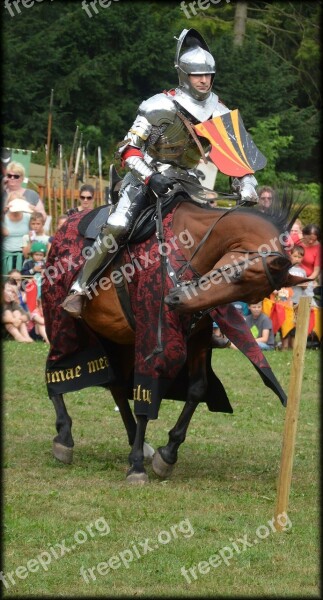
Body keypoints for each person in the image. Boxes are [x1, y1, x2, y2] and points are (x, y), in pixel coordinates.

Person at [62, 28, 262, 317]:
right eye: (197, 75)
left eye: (208, 74)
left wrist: (247, 184)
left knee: (214, 236)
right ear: (184, 75)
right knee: (118, 225)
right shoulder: (158, 106)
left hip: (189, 183)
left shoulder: (219, 112)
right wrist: (150, 176)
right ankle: (80, 289)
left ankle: (213, 315)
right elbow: (128, 149)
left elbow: (237, 158)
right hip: (147, 178)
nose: (204, 80)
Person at [2, 197, 33, 274]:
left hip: (25, 254)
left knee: (23, 280)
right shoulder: (3, 217)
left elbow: (40, 223)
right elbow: (5, 233)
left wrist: (33, 209)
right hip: (7, 254)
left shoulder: (28, 216)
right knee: (8, 282)